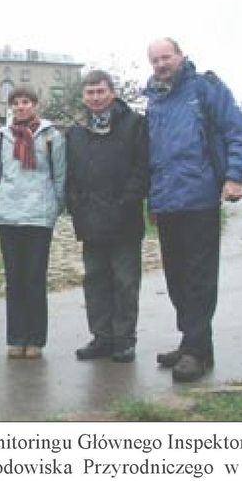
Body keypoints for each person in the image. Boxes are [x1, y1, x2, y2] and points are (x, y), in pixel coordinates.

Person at [144, 37, 242, 383]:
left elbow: (240, 133)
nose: (162, 64)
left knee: (198, 278)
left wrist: (235, 176)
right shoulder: (155, 99)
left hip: (199, 199)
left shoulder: (206, 89)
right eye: (155, 60)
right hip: (167, 203)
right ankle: (194, 343)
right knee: (177, 279)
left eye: (166, 57)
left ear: (181, 56)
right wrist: (153, 200)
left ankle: (195, 352)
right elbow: (154, 156)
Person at [65, 71, 147, 363]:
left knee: (125, 281)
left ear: (112, 93)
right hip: (90, 219)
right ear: (83, 97)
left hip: (124, 218)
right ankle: (102, 337)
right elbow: (70, 174)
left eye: (101, 91)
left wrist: (126, 201)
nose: (96, 97)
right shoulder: (75, 132)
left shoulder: (135, 125)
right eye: (90, 92)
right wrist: (75, 203)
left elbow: (142, 169)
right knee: (95, 280)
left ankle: (124, 339)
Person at [0, 86, 65, 360]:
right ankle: (16, 337)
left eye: (26, 102)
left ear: (35, 105)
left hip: (38, 216)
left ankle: (35, 338)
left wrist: (53, 208)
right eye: (16, 103)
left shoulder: (51, 136)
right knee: (14, 279)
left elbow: (59, 176)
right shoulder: (2, 137)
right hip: (9, 215)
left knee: (34, 278)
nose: (21, 107)